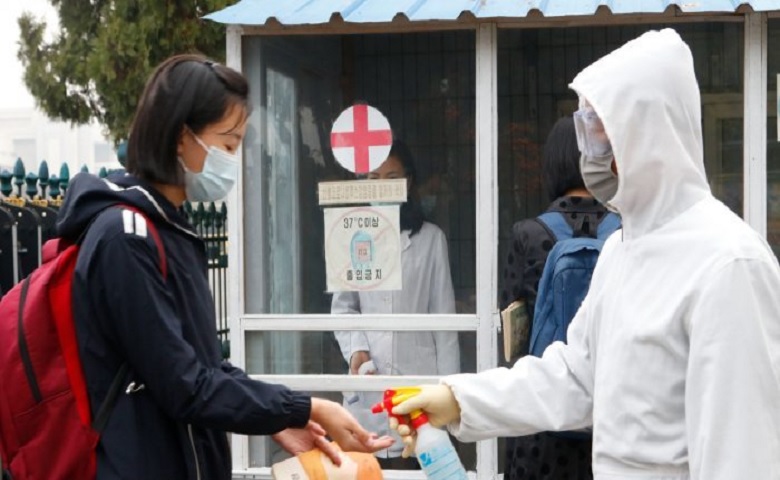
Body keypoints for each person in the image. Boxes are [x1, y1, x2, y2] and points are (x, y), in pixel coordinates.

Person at [390, 29, 780, 479]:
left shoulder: (727, 265)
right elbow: (576, 376)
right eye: (585, 128)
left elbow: (741, 457)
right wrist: (459, 400)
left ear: (648, 135)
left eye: (600, 130)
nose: (588, 151)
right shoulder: (620, 250)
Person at [56, 54, 392, 480]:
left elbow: (207, 366)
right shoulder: (125, 237)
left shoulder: (169, 230)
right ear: (182, 137)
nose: (234, 159)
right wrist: (306, 406)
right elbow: (185, 386)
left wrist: (281, 417)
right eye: (229, 143)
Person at [332, 139, 459, 470]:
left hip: (418, 384)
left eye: (392, 178)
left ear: (409, 181)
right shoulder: (351, 236)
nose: (382, 187)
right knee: (368, 466)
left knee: (414, 465)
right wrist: (356, 349)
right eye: (373, 179)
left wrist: (450, 393)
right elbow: (343, 307)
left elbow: (444, 321)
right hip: (367, 386)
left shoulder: (431, 239)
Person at [501, 116, 611, 479]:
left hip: (542, 418)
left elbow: (512, 337)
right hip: (610, 416)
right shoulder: (627, 232)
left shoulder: (528, 234)